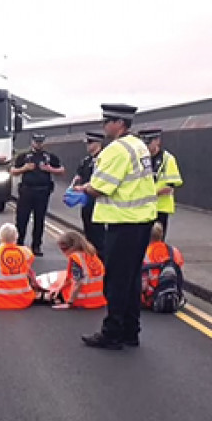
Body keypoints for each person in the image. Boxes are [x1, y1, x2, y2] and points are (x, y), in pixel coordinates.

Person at [75, 103, 157, 350]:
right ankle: (130, 330)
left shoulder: (115, 150)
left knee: (116, 281)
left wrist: (82, 190)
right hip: (143, 220)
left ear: (119, 123)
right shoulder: (139, 145)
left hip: (124, 222)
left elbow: (100, 187)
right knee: (131, 278)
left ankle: (112, 333)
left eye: (107, 121)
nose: (104, 126)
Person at [11, 133, 64, 256]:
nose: (38, 144)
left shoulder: (49, 157)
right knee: (21, 219)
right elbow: (13, 171)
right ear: (32, 142)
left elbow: (61, 170)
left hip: (42, 192)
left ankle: (36, 246)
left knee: (39, 220)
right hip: (26, 191)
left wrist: (50, 169)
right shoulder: (24, 156)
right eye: (36, 141)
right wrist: (24, 168)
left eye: (40, 142)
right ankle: (19, 244)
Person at [0, 223, 44, 310]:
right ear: (16, 236)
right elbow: (28, 269)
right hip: (23, 299)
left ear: (0, 237)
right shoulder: (26, 252)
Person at [139, 129, 183, 237]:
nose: (146, 147)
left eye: (148, 143)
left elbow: (170, 187)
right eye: (143, 144)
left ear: (157, 141)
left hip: (160, 208)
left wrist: (151, 193)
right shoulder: (139, 158)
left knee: (157, 243)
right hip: (142, 208)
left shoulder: (167, 159)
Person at [51, 230, 107, 310]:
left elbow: (78, 282)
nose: (63, 253)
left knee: (51, 295)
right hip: (99, 299)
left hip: (83, 299)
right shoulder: (91, 254)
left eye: (63, 249)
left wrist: (69, 303)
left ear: (71, 247)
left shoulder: (76, 258)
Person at [72, 131, 107, 258]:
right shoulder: (86, 160)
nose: (88, 145)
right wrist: (75, 184)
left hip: (98, 201)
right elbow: (79, 175)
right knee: (89, 234)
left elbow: (100, 182)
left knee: (99, 237)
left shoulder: (103, 160)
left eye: (90, 142)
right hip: (86, 201)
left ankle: (102, 263)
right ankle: (92, 260)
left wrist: (82, 187)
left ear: (98, 143)